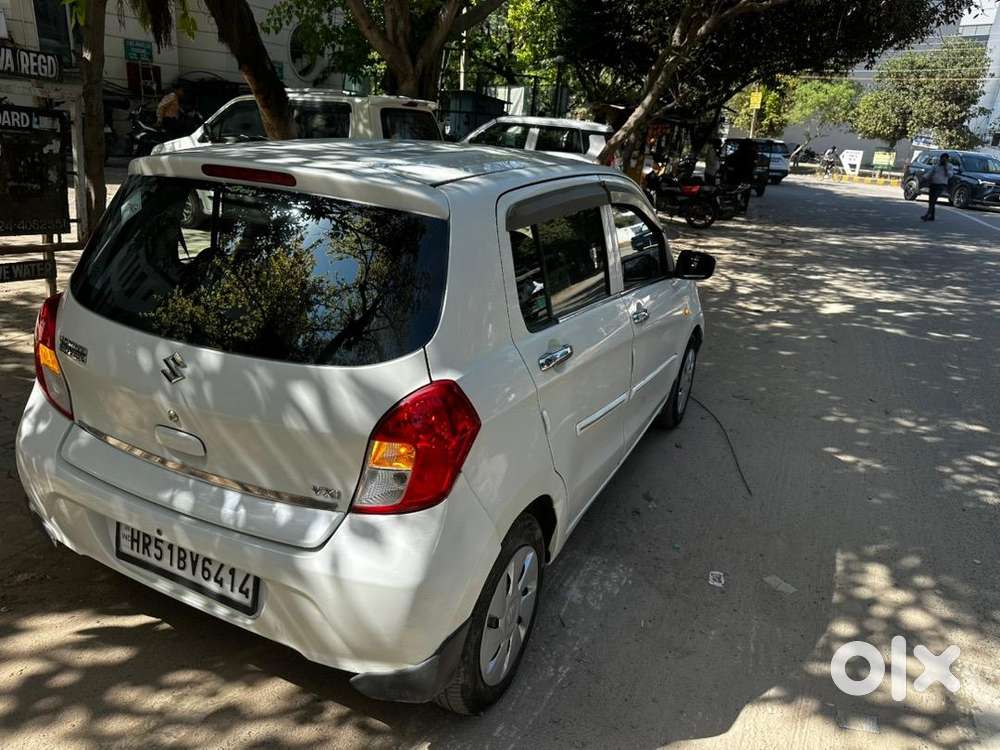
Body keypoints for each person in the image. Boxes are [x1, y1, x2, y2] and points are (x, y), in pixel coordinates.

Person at [922, 152, 954, 222]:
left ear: (947, 160)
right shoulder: (936, 166)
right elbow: (930, 173)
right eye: (942, 159)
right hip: (933, 184)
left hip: (941, 185)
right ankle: (932, 216)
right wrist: (924, 177)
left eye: (945, 159)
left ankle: (927, 214)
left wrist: (945, 168)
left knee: (934, 199)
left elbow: (950, 175)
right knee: (931, 200)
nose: (943, 160)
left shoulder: (949, 166)